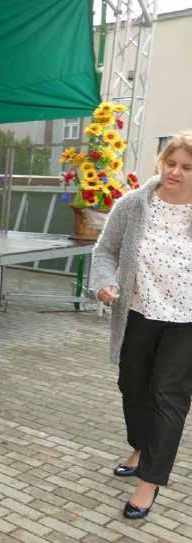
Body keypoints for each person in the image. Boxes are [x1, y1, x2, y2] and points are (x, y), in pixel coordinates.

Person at [90, 130, 192, 520]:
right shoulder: (134, 204)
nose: (176, 172)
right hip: (137, 312)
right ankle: (139, 446)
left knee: (169, 397)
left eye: (186, 167)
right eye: (171, 163)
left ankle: (149, 481)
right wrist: (103, 282)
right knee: (132, 386)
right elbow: (105, 252)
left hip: (186, 321)